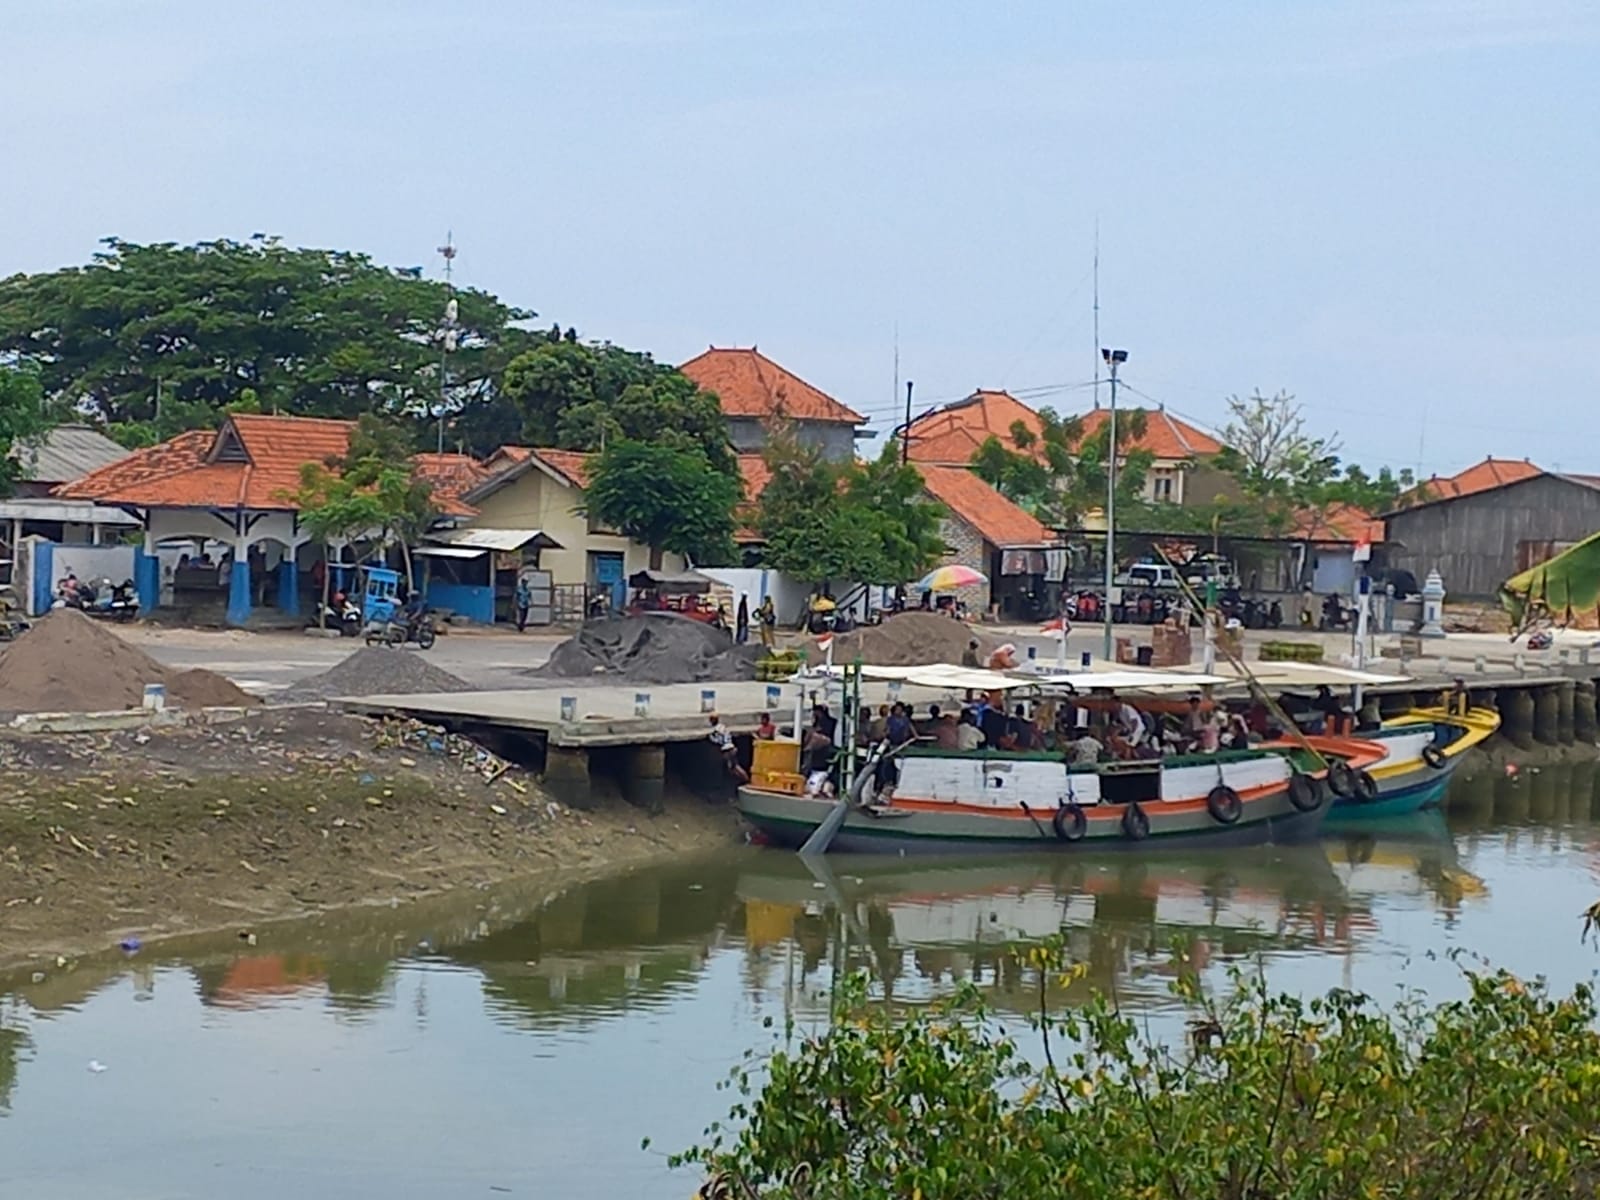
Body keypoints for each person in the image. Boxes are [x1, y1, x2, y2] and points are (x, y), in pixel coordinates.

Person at [708, 713, 747, 783]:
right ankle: (742, 780)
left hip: (727, 750)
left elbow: (719, 741)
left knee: (734, 767)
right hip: (731, 747)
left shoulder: (717, 730)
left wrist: (711, 738)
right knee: (731, 768)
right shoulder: (723, 726)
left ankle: (746, 779)